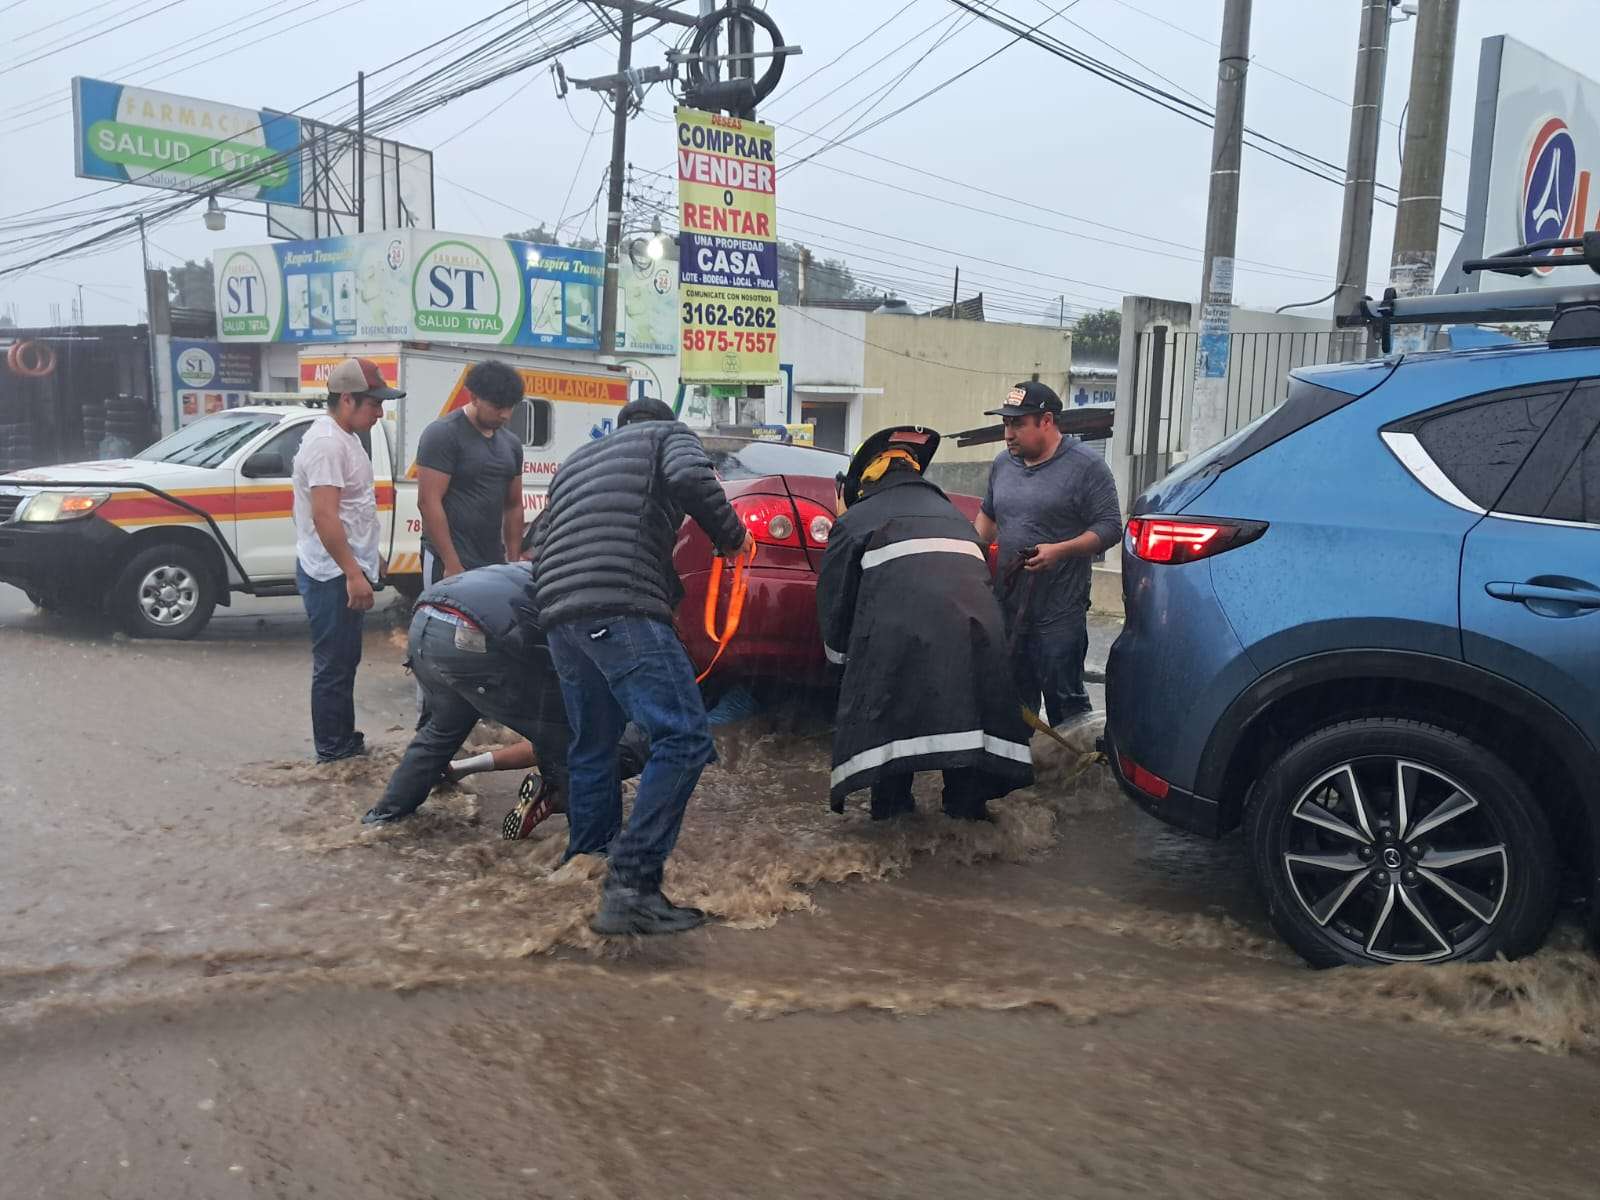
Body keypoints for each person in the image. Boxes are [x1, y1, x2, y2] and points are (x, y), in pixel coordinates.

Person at [533, 396, 748, 937]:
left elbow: (538, 539)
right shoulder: (669, 437)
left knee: (593, 744)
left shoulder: (576, 463)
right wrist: (733, 536)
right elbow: (690, 480)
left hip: (559, 615)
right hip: (621, 604)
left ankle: (586, 862)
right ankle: (631, 885)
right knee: (684, 737)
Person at [818, 426, 1035, 821]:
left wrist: (840, 670)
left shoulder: (855, 523)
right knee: (968, 774)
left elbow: (836, 618)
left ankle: (895, 821)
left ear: (865, 481)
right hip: (979, 649)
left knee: (893, 758)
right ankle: (966, 822)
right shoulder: (956, 517)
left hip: (901, 650)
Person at [360, 560, 647, 837]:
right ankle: (594, 846)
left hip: (425, 620)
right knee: (569, 735)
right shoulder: (595, 596)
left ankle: (384, 820)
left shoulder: (550, 571)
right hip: (475, 633)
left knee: (442, 728)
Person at [973, 381, 1122, 727]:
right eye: (1005, 424)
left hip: (1060, 612)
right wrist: (966, 552)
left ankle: (1069, 774)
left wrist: (1061, 550)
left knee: (1064, 698)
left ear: (1047, 421)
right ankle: (1020, 771)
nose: (1008, 434)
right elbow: (989, 516)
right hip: (1009, 606)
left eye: (1017, 424)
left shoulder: (1086, 466)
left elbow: (1111, 527)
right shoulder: (1003, 465)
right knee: (1012, 695)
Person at [292, 357, 403, 763]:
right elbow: (325, 516)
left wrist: (371, 556)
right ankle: (333, 751)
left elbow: (354, 508)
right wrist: (353, 573)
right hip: (330, 573)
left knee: (344, 660)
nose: (379, 411)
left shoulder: (348, 437)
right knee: (334, 664)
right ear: (346, 399)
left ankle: (343, 740)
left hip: (343, 565)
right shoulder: (326, 445)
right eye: (373, 404)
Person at [416, 359, 525, 584]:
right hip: (448, 562)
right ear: (474, 398)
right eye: (498, 407)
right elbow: (428, 502)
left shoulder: (512, 444)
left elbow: (514, 505)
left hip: (493, 562)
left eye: (510, 406)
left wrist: (513, 561)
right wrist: (451, 562)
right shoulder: (442, 434)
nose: (505, 415)